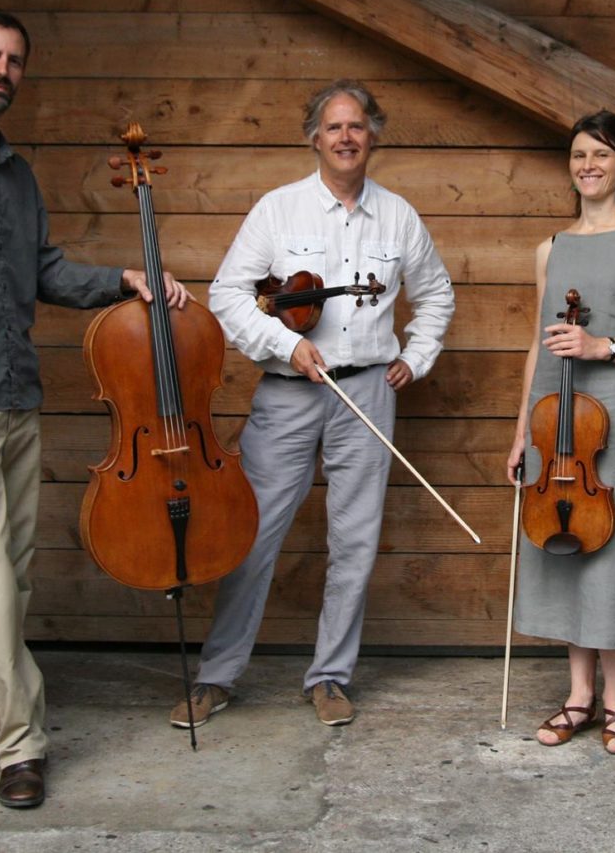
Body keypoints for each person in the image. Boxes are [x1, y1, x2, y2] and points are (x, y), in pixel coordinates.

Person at [0, 9, 188, 808]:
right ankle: (22, 745)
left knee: (9, 576)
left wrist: (124, 280)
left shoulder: (17, 174)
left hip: (19, 396)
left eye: (14, 60)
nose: (2, 70)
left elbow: (45, 271)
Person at [173, 79, 455, 729]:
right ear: (314, 137)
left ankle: (329, 676)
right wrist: (282, 343)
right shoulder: (279, 210)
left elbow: (436, 295)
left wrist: (416, 355)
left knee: (354, 539)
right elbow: (227, 294)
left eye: (357, 126)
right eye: (333, 127)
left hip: (368, 389)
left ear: (373, 134)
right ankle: (217, 675)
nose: (346, 137)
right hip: (289, 390)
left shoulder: (399, 216)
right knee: (252, 533)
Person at [504, 110, 615, 755]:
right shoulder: (550, 248)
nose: (589, 165)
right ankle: (578, 697)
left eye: (602, 155)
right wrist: (523, 427)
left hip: (608, 412)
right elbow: (537, 343)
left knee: (607, 548)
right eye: (579, 154)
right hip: (554, 420)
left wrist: (601, 344)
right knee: (565, 545)